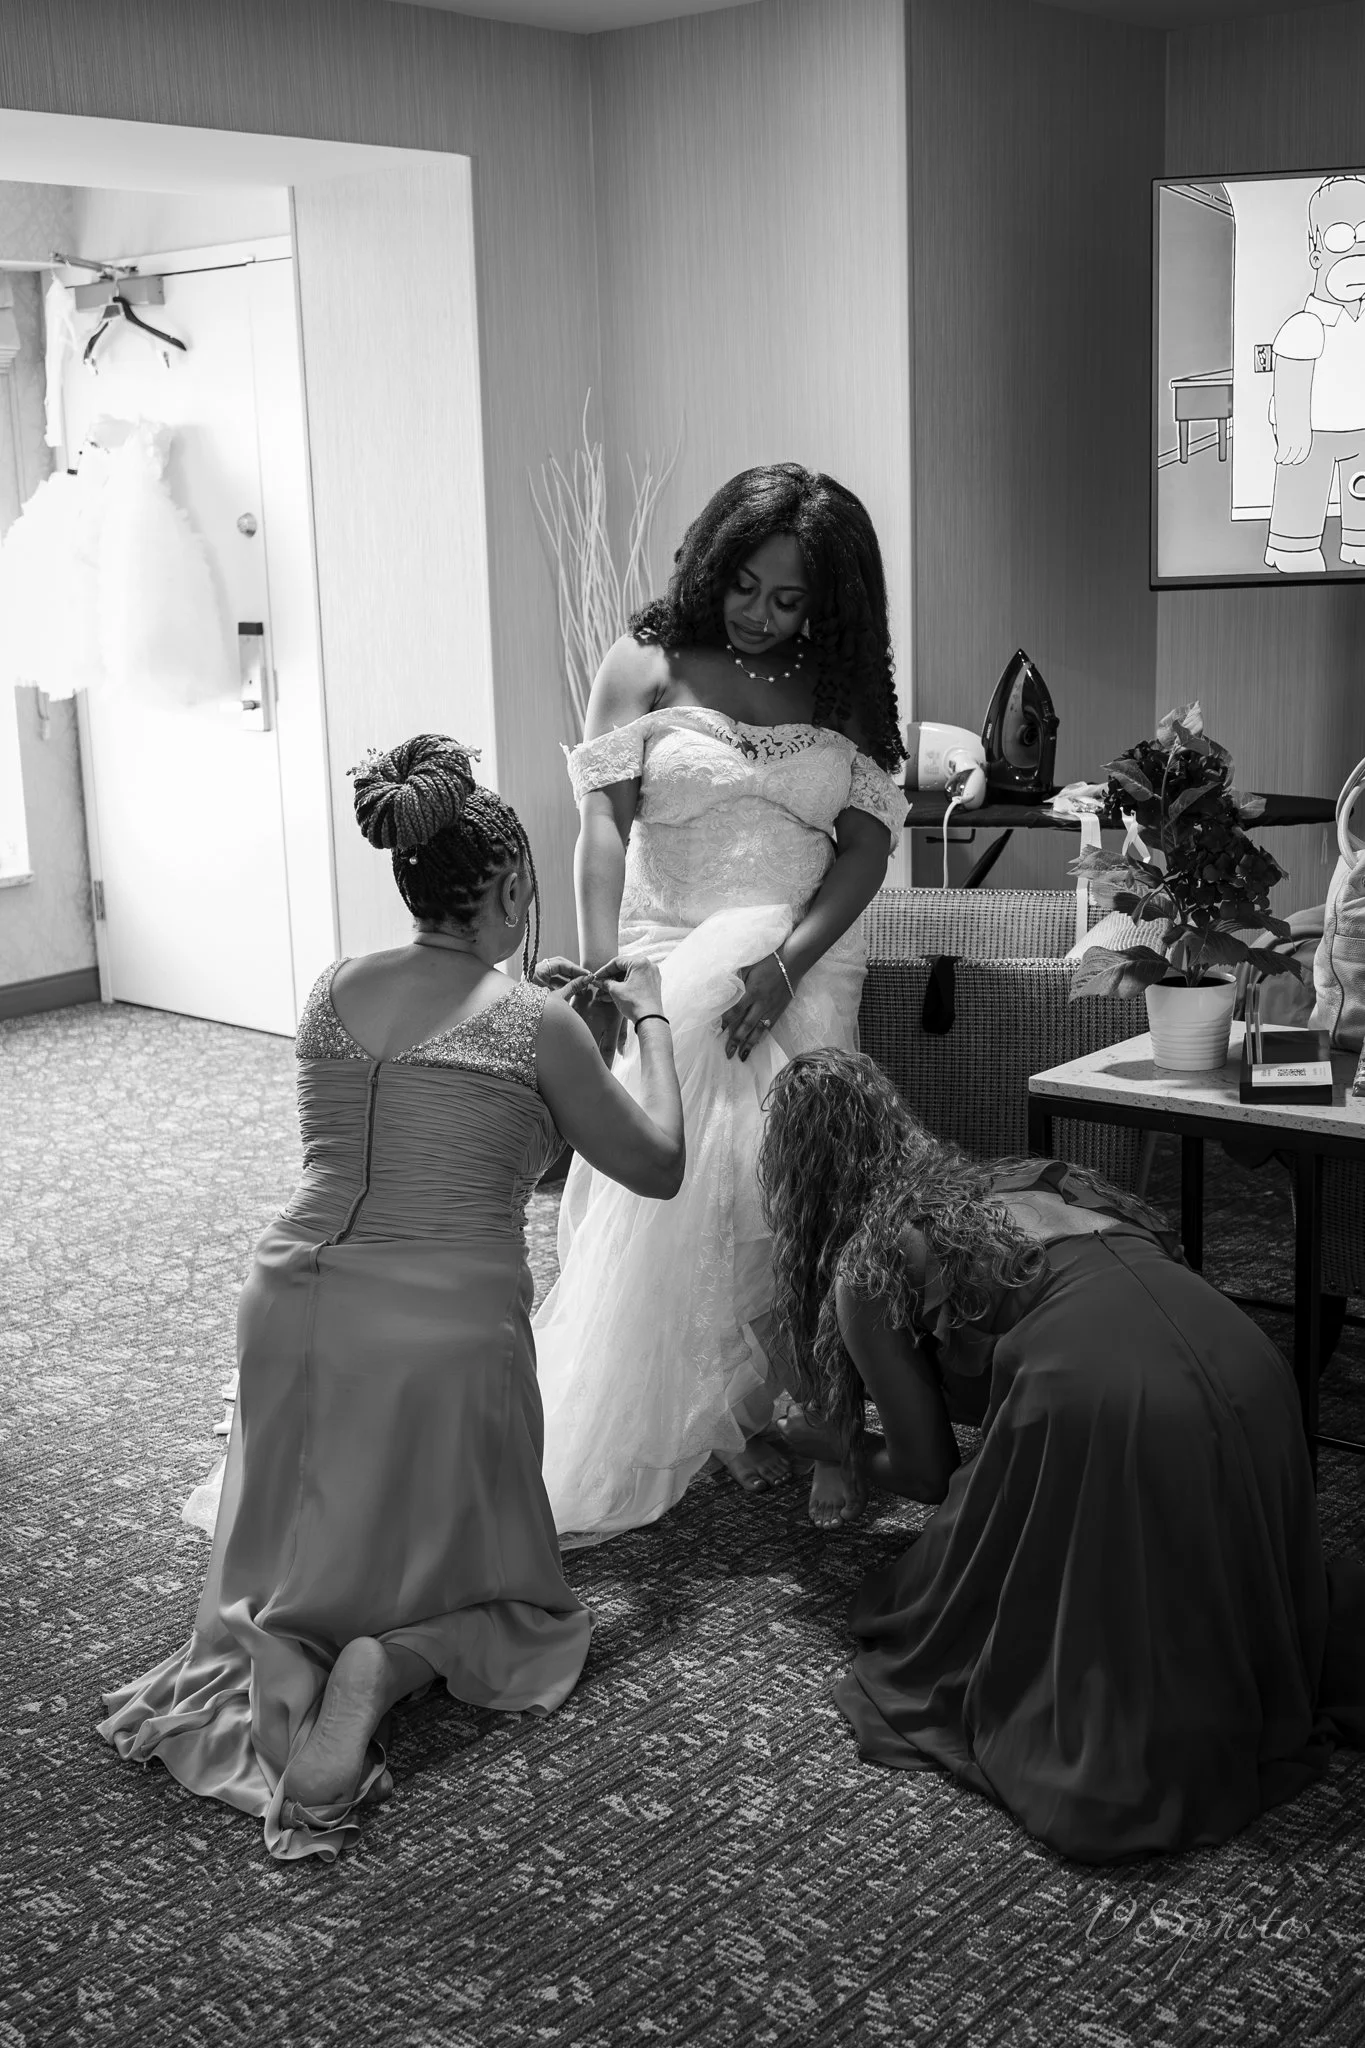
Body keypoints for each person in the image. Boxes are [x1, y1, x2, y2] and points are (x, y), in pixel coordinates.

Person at [98, 735, 685, 1862]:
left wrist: (564, 1052)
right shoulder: (534, 1022)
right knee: (517, 1610)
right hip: (443, 1335)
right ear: (509, 891)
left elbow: (439, 1135)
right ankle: (395, 1658)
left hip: (289, 1305)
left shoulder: (330, 990)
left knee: (306, 1557)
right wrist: (645, 1020)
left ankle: (311, 1639)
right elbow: (656, 1163)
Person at [758, 1047, 1365, 1862]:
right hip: (1249, 1364)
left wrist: (835, 1445)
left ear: (801, 1179)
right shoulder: (1033, 1177)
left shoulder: (867, 1262)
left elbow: (927, 1475)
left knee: (944, 1620)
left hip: (1100, 1397)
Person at [530, 463, 905, 1542]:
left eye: (788, 599)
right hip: (664, 947)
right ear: (711, 561)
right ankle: (723, 1404)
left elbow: (866, 847)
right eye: (744, 585)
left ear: (826, 602)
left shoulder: (838, 684)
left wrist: (784, 963)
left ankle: (827, 1414)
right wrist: (604, 972)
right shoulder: (645, 660)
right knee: (697, 1171)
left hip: (804, 954)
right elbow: (601, 827)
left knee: (800, 1184)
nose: (759, 614)